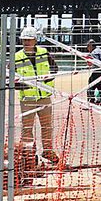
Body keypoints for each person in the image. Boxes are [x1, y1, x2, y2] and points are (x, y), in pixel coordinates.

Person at [14, 27, 60, 165]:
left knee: (47, 126)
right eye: (24, 40)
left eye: (29, 40)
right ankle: (28, 154)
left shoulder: (44, 53)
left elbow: (55, 69)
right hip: (27, 99)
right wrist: (23, 86)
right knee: (27, 127)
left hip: (44, 96)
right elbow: (10, 77)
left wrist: (46, 80)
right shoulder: (17, 57)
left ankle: (47, 151)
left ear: (35, 40)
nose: (26, 42)